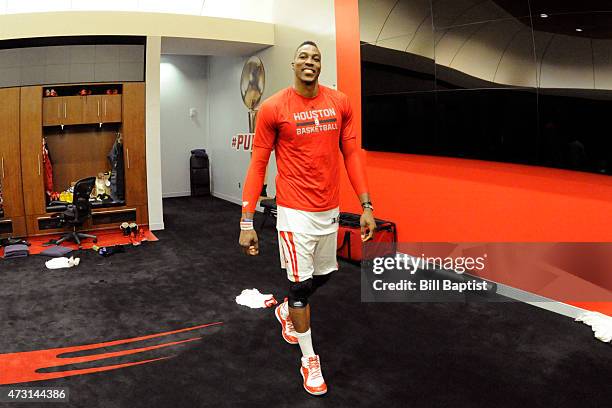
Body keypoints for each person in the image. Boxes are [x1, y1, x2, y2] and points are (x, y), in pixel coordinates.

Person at [239, 41, 376, 396]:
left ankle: (285, 309)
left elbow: (351, 153)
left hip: (328, 210)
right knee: (301, 289)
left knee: (326, 274)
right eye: (303, 56)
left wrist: (366, 205)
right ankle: (309, 359)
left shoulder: (339, 103)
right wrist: (246, 221)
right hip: (293, 212)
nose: (309, 62)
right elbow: (258, 165)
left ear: (320, 65)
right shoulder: (273, 108)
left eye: (315, 57)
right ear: (293, 64)